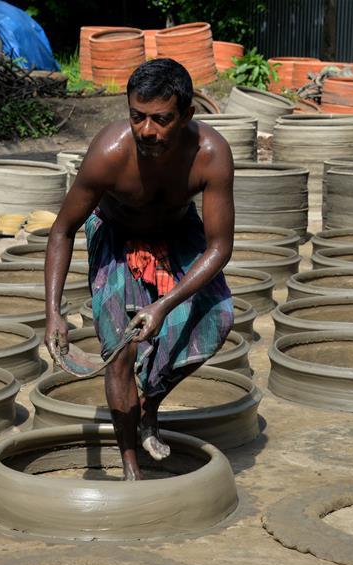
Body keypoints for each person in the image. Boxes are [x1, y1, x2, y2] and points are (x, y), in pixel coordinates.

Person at [44, 58, 235, 481]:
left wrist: (164, 305)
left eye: (161, 119)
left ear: (186, 115)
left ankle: (149, 404)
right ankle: (132, 466)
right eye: (137, 116)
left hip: (177, 233)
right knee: (119, 350)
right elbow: (61, 231)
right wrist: (53, 311)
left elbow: (220, 246)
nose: (147, 130)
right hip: (115, 232)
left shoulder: (211, 154)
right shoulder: (110, 154)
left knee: (217, 317)